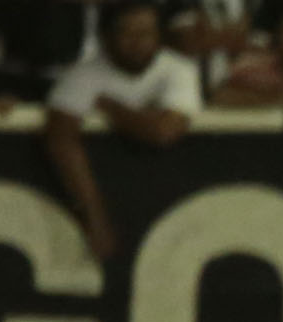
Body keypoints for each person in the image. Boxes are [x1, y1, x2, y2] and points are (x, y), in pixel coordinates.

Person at [44, 0, 201, 264]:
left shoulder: (179, 70)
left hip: (177, 201)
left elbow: (164, 132)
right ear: (106, 37)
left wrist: (112, 108)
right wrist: (95, 216)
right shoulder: (81, 76)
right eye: (127, 33)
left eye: (146, 33)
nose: (137, 43)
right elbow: (60, 139)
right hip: (110, 199)